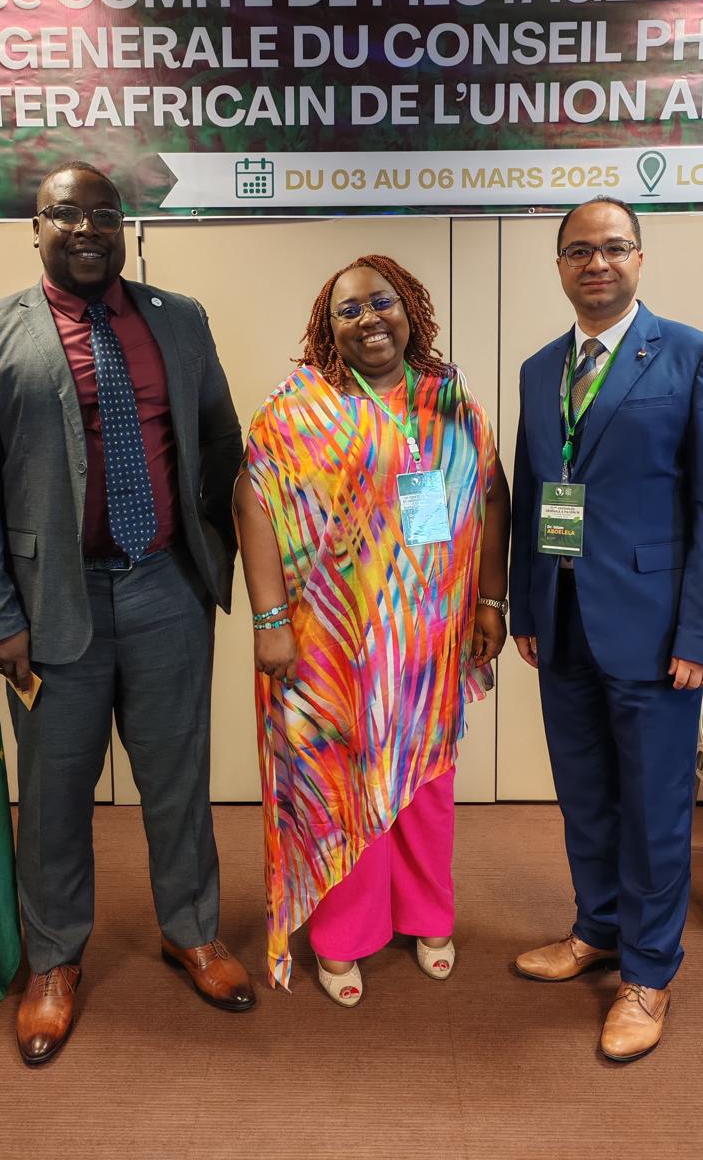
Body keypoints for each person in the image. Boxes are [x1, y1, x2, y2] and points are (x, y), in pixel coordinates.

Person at [0, 160, 255, 1066]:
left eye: (104, 216)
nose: (87, 231)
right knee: (54, 794)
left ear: (125, 228)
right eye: (66, 215)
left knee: (179, 778)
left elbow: (220, 441)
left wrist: (210, 562)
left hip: (165, 590)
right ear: (35, 227)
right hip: (49, 606)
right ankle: (53, 960)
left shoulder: (180, 320)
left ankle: (192, 930)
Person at [233, 253, 510, 1003]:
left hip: (428, 639)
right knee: (339, 783)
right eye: (348, 310)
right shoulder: (297, 405)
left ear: (408, 308)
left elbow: (491, 494)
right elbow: (253, 500)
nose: (368, 319)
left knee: (426, 786)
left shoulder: (448, 396)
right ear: (327, 329)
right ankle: (343, 937)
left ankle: (428, 917)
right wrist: (269, 619)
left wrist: (491, 602)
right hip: (331, 642)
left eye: (381, 302)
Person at [509, 197, 703, 1061]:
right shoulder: (541, 368)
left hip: (656, 632)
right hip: (563, 623)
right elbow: (533, 493)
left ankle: (648, 975)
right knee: (585, 795)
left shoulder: (695, 357)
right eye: (579, 250)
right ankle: (598, 929)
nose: (596, 263)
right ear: (560, 265)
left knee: (653, 808)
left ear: (640, 258)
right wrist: (526, 607)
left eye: (614, 248)